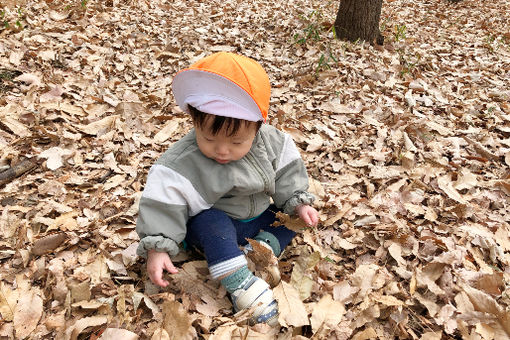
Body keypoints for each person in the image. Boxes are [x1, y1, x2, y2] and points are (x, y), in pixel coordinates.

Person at [136, 52, 319, 326]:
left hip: (256, 217)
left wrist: (298, 203)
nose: (221, 150)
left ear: (258, 127)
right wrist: (158, 246)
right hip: (213, 224)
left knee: (293, 221)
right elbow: (164, 201)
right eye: (208, 138)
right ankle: (240, 284)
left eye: (236, 142)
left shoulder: (272, 143)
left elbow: (287, 174)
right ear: (195, 122)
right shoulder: (182, 162)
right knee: (211, 220)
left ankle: (260, 251)